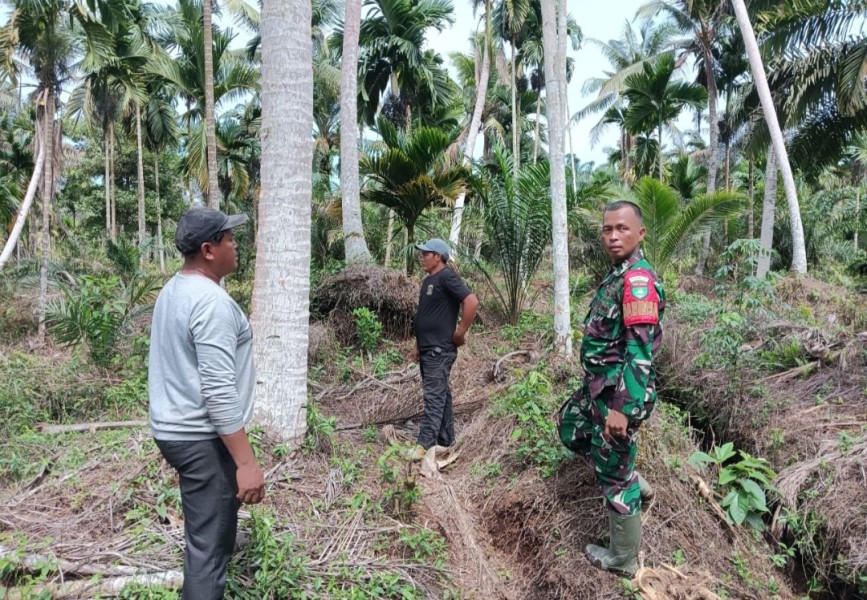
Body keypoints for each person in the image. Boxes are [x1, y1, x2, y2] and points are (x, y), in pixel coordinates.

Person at [148, 206, 265, 599]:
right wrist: (246, 463)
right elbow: (218, 391)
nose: (235, 245)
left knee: (209, 537)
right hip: (201, 438)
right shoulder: (211, 303)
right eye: (228, 238)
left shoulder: (174, 288)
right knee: (208, 554)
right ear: (208, 250)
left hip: (177, 431)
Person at [557, 201, 665, 576]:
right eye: (607, 229)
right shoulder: (618, 274)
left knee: (614, 476)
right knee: (570, 426)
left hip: (620, 393)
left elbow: (639, 350)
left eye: (622, 228)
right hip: (599, 387)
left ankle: (622, 559)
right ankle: (630, 476)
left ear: (640, 234)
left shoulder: (638, 282)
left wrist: (623, 409)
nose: (613, 236)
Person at [407, 239, 479, 459]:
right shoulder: (428, 282)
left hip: (440, 349)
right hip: (428, 348)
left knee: (434, 396)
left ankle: (424, 444)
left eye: (425, 253)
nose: (422, 257)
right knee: (442, 395)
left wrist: (460, 332)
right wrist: (417, 345)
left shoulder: (446, 277)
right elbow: (423, 316)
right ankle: (446, 440)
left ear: (437, 256)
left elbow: (471, 301)